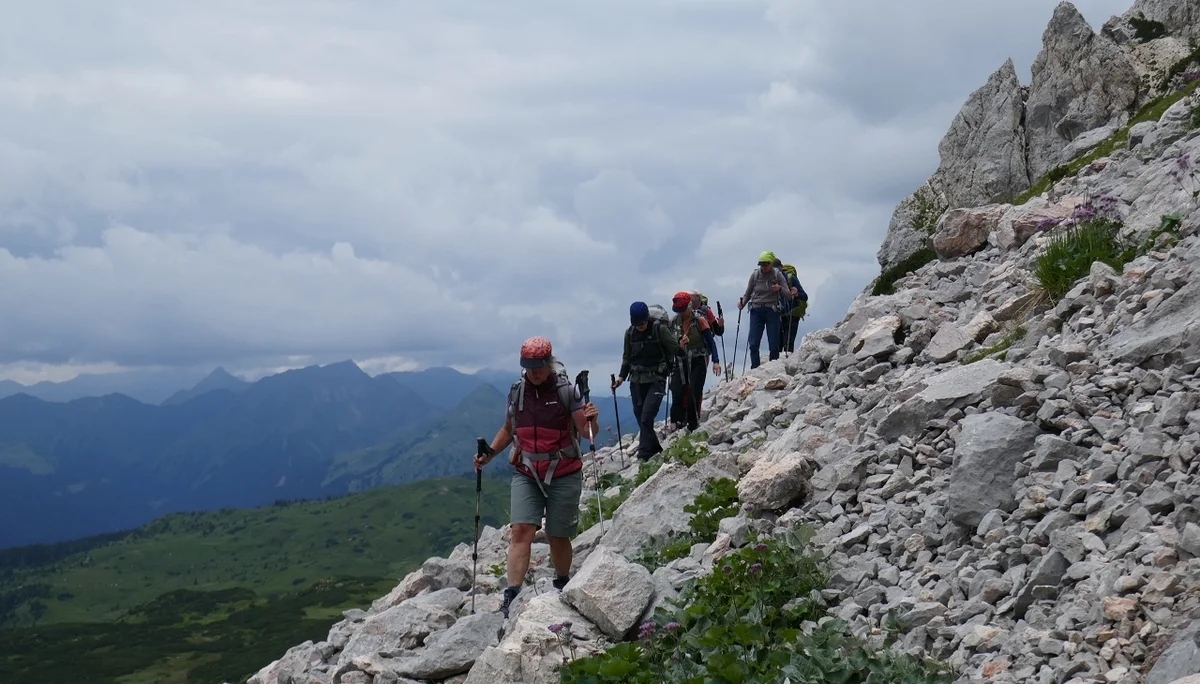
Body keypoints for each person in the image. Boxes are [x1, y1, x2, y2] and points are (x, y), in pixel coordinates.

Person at [472, 335, 600, 618]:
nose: (535, 372)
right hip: (527, 470)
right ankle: (512, 595)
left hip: (564, 471)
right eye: (529, 367)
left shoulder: (567, 392)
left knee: (557, 534)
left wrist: (592, 419)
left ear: (549, 362)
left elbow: (586, 431)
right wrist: (490, 454)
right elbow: (509, 429)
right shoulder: (517, 392)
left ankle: (563, 581)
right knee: (520, 531)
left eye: (539, 365)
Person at [613, 302, 681, 461]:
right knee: (640, 416)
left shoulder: (660, 330)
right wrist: (621, 378)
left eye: (643, 323)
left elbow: (675, 349)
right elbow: (627, 357)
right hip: (636, 380)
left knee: (646, 416)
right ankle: (655, 450)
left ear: (647, 318)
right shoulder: (629, 334)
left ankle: (644, 454)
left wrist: (682, 348)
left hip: (656, 379)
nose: (641, 327)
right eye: (637, 324)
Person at [669, 291, 720, 431]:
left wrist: (716, 361)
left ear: (689, 306)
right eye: (679, 310)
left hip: (698, 359)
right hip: (680, 360)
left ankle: (692, 424)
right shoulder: (674, 322)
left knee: (693, 391)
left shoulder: (700, 320)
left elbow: (711, 342)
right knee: (677, 390)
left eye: (683, 310)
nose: (681, 313)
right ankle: (676, 424)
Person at [738, 251, 792, 369]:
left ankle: (774, 368)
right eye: (761, 264)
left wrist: (780, 288)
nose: (764, 267)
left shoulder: (778, 275)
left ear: (772, 263)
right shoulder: (755, 275)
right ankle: (754, 368)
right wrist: (742, 303)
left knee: (774, 344)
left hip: (771, 311)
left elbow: (788, 295)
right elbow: (747, 293)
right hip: (756, 310)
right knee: (753, 343)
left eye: (766, 264)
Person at [775, 261, 807, 354]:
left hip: (792, 314)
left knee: (788, 343)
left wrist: (797, 294)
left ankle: (787, 364)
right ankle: (780, 364)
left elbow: (804, 296)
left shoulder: (791, 278)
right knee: (778, 344)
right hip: (777, 316)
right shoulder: (769, 281)